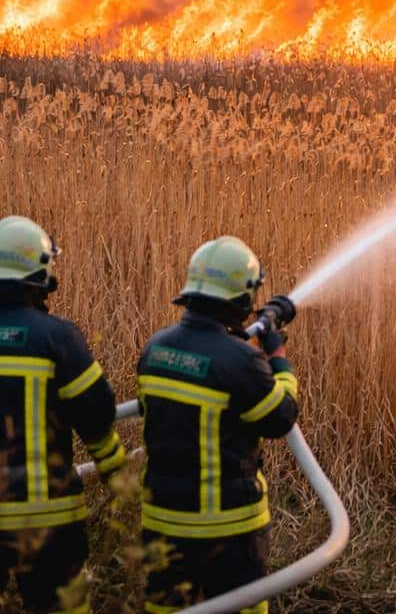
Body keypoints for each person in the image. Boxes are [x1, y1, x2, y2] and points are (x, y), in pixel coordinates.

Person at [0, 216, 124, 614]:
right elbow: (97, 414)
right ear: (40, 271)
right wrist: (117, 471)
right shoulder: (57, 337)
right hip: (46, 522)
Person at [138, 236, 300, 614]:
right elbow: (281, 417)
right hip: (228, 531)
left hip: (162, 522)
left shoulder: (155, 348)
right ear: (243, 298)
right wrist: (279, 361)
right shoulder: (242, 362)